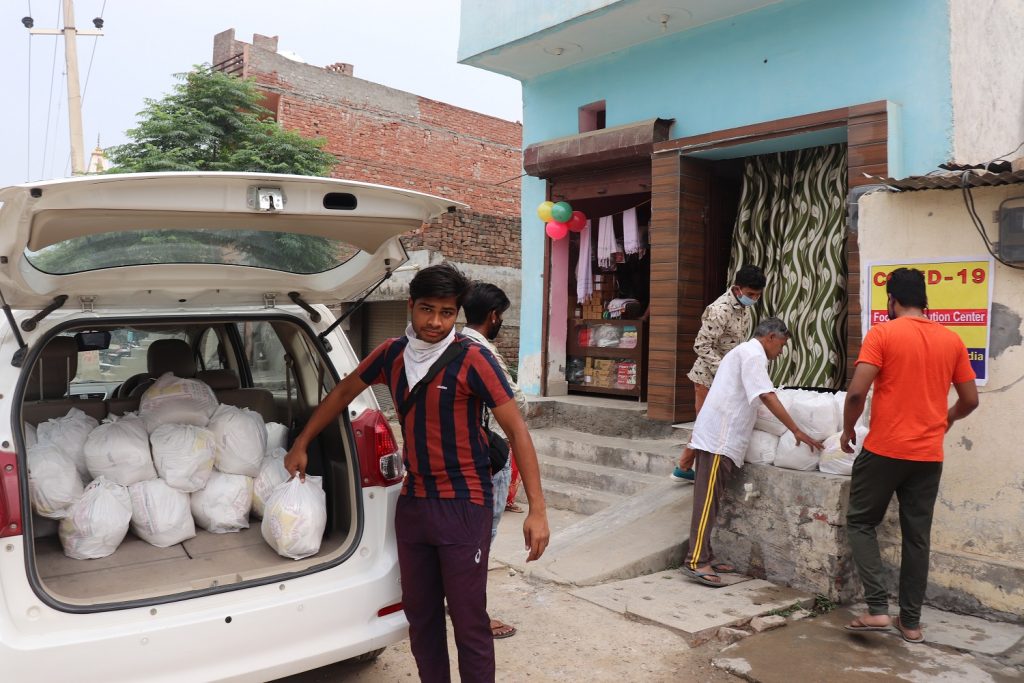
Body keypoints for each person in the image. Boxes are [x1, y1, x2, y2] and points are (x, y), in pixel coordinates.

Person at [284, 263, 550, 682]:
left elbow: (517, 430)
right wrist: (301, 443)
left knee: (468, 621)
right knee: (421, 618)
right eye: (427, 310)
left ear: (457, 314)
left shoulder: (473, 359)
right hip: (415, 503)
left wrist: (537, 509)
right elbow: (343, 392)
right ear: (410, 305)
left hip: (465, 503)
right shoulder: (392, 353)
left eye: (447, 313)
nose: (436, 322)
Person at [840, 268, 978, 643]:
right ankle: (912, 623)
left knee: (860, 522)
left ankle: (877, 610)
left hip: (885, 449)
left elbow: (856, 393)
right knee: (917, 538)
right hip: (928, 455)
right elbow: (970, 400)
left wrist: (849, 428)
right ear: (925, 300)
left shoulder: (883, 333)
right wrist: (946, 419)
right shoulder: (951, 339)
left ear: (892, 301)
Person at [681, 317, 823, 587]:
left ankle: (705, 554)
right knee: (706, 502)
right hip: (718, 439)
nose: (780, 352)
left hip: (721, 438)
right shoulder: (752, 355)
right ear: (770, 337)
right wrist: (796, 430)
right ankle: (695, 560)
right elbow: (767, 396)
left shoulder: (744, 352)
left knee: (711, 501)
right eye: (781, 345)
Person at [461, 281, 529, 641]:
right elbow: (516, 405)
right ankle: (475, 615)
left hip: (454, 458)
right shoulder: (480, 351)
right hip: (482, 457)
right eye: (500, 316)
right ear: (493, 316)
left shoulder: (448, 345)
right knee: (479, 541)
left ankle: (456, 602)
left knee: (461, 538)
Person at [673, 265, 767, 483]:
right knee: (705, 423)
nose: (753, 299)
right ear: (737, 289)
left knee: (708, 422)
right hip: (708, 376)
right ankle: (684, 467)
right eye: (750, 294)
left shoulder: (741, 307)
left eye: (757, 295)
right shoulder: (720, 310)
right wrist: (724, 368)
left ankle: (684, 467)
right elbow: (701, 345)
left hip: (724, 376)